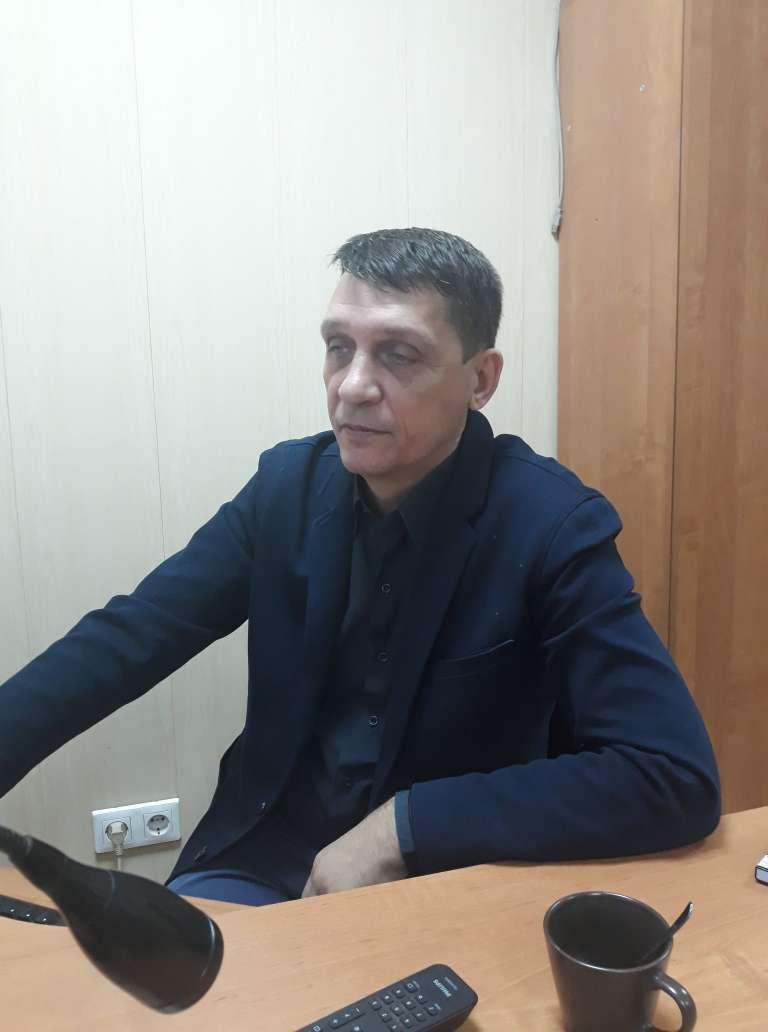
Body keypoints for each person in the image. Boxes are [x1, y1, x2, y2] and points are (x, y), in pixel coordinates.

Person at [0, 228, 720, 906]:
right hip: (262, 859)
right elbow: (129, 637)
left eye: (398, 354)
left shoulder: (550, 524)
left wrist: (404, 828)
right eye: (338, 348)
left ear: (481, 379)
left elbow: (672, 773)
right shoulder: (286, 490)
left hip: (440, 879)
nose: (351, 385)